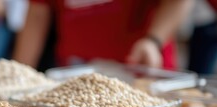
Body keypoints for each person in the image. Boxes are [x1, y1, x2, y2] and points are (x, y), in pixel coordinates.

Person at [13, 0, 193, 70]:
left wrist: (154, 40)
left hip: (139, 69)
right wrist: (19, 71)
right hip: (75, 72)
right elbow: (37, 13)